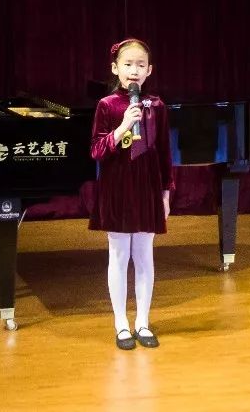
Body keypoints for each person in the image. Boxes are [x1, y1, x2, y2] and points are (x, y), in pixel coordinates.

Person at [89, 38, 174, 350]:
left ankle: (143, 322)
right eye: (128, 64)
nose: (134, 70)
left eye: (141, 65)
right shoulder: (107, 105)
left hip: (148, 188)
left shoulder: (157, 106)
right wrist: (124, 126)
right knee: (119, 255)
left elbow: (165, 154)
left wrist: (165, 194)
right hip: (117, 188)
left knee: (144, 256)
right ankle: (121, 324)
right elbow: (97, 151)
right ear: (115, 68)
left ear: (149, 70)